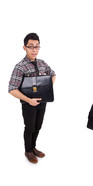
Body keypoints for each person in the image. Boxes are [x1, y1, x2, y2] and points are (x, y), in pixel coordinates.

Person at [8, 33, 56, 164]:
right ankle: (28, 150)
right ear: (24, 48)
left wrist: (47, 89)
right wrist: (29, 100)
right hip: (28, 103)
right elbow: (12, 89)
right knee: (29, 127)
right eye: (31, 47)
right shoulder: (20, 66)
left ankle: (33, 147)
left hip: (42, 101)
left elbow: (53, 74)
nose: (34, 50)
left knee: (38, 126)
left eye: (37, 46)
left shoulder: (42, 63)